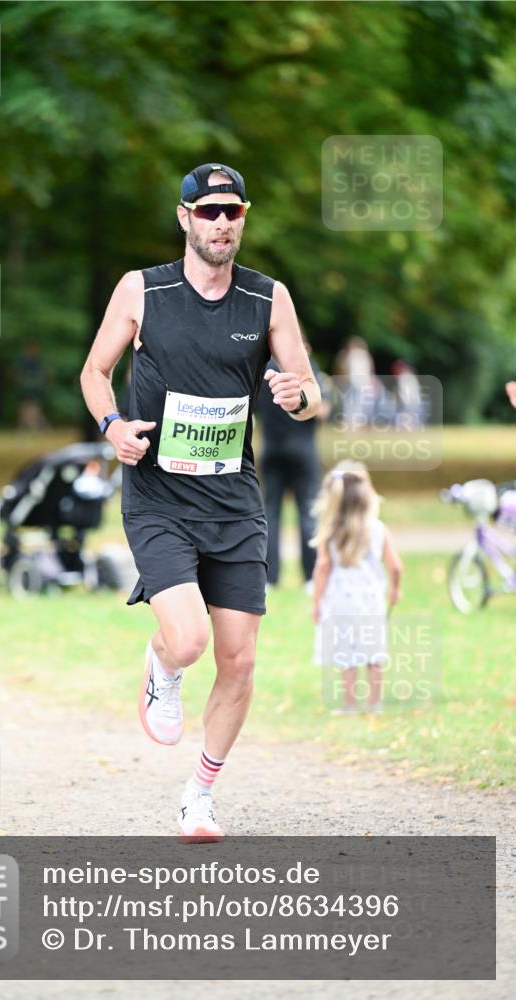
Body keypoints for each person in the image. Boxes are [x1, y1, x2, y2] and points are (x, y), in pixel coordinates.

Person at [80, 162, 321, 841]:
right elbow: (94, 371)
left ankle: (200, 794)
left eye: (232, 212)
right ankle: (162, 665)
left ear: (243, 219)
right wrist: (112, 426)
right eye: (208, 211)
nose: (221, 223)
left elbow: (310, 393)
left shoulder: (267, 297)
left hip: (234, 500)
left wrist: (298, 396)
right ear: (184, 217)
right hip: (158, 495)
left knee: (239, 660)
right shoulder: (142, 290)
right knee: (188, 641)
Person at [310, 461, 402, 715]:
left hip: (341, 601)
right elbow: (395, 566)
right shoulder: (379, 529)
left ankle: (350, 705)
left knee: (346, 654)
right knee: (374, 653)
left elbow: (322, 569)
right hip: (372, 600)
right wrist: (395, 589)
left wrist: (316, 602)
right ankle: (374, 704)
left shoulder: (331, 531)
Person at [257, 343, 329, 589]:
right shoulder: (305, 366)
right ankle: (310, 577)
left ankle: (269, 578)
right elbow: (323, 409)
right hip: (303, 448)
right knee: (308, 511)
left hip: (271, 447)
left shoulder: (263, 366)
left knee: (270, 514)